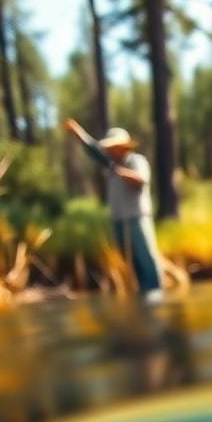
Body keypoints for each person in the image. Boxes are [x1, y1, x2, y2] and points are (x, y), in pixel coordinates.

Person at [64, 119, 164, 298]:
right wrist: (77, 132)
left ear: (123, 147)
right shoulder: (108, 164)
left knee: (147, 259)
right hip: (118, 220)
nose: (110, 150)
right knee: (131, 263)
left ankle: (156, 297)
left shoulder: (136, 161)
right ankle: (142, 296)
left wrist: (119, 171)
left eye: (113, 146)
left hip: (137, 219)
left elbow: (140, 180)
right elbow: (92, 147)